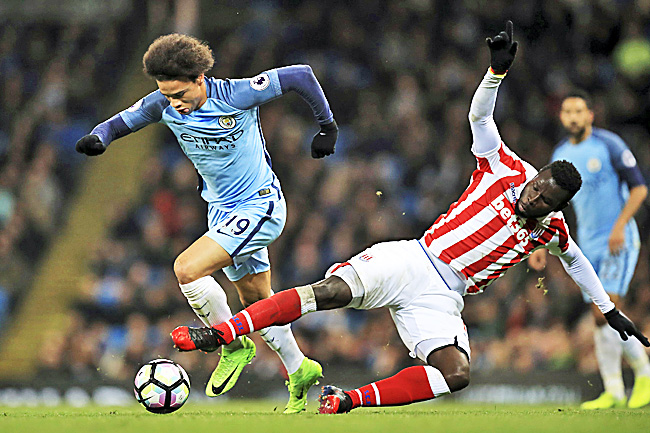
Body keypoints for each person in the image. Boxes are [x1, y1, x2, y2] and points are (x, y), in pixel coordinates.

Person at [172, 21, 650, 413]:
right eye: (536, 186)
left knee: (456, 375)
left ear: (556, 206)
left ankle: (348, 400)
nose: (534, 197)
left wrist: (608, 308)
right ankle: (220, 332)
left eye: (545, 199)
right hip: (416, 259)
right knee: (330, 293)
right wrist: (495, 75)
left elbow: (577, 263)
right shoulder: (506, 167)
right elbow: (480, 120)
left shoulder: (553, 228)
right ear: (537, 173)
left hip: (445, 298)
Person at [75, 33, 339, 413]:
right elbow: (118, 123)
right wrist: (98, 139)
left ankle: (231, 344)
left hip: (259, 205)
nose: (174, 104)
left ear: (200, 78)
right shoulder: (161, 105)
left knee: (186, 268)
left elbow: (300, 75)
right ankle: (299, 369)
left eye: (180, 94)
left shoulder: (236, 94)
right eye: (167, 95)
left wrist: (326, 126)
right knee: (257, 302)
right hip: (220, 212)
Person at [528, 91, 650, 409]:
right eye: (567, 111)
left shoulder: (609, 145)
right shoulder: (561, 153)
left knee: (603, 310)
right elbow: (553, 204)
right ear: (561, 117)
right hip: (588, 245)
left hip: (618, 240)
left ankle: (643, 374)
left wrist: (621, 225)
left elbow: (639, 189)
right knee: (600, 318)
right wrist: (539, 241)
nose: (572, 116)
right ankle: (613, 390)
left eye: (579, 110)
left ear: (590, 115)